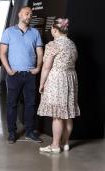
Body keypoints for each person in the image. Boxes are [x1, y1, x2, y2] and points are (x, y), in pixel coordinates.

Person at [0, 6, 43, 144]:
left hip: (30, 75)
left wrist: (38, 67)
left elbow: (40, 52)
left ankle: (29, 132)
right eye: (26, 13)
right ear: (19, 14)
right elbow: (2, 53)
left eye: (30, 14)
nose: (29, 16)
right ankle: (12, 132)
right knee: (12, 104)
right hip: (14, 75)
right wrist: (9, 70)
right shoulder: (9, 32)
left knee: (30, 104)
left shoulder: (35, 32)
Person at [38, 18, 80, 153]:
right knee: (67, 113)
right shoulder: (72, 44)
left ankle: (55, 146)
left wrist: (41, 83)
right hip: (70, 78)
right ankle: (66, 143)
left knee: (57, 115)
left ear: (55, 30)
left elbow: (46, 67)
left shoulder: (53, 44)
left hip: (57, 79)